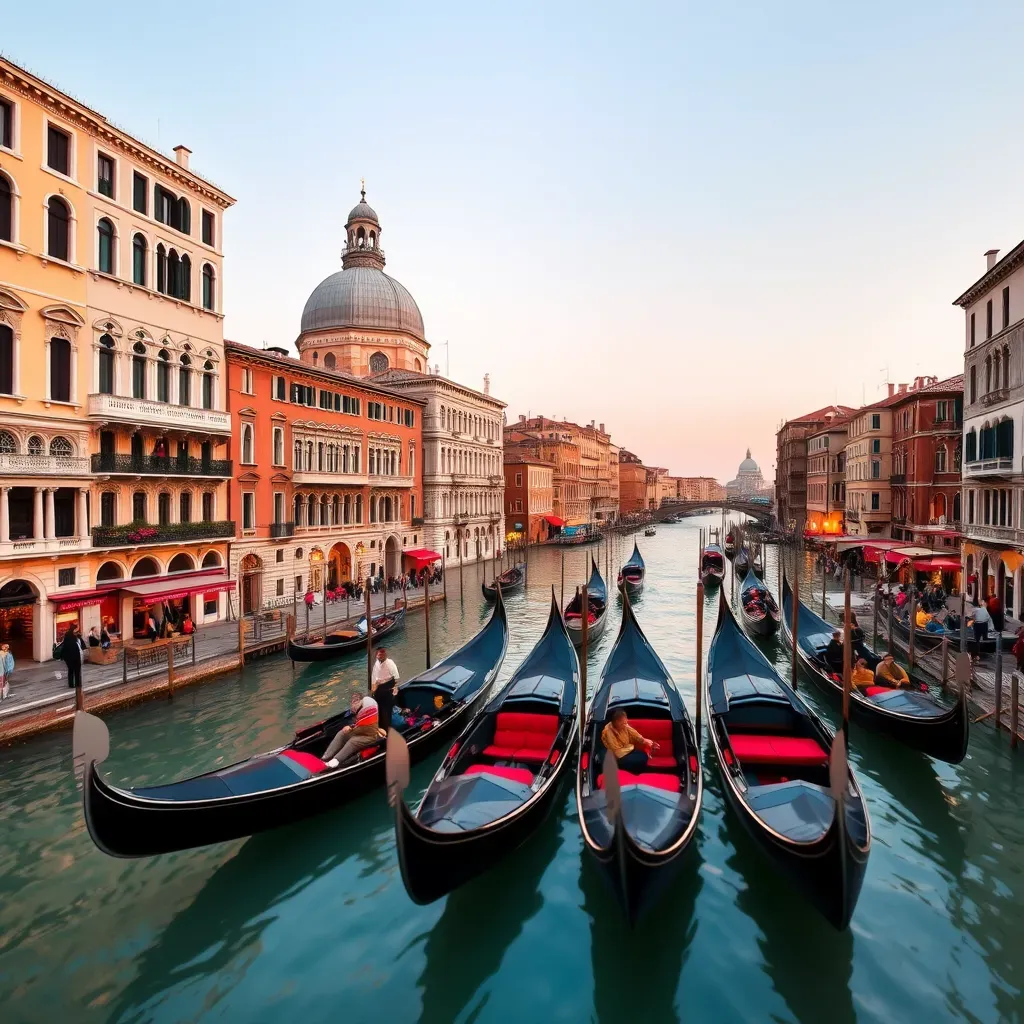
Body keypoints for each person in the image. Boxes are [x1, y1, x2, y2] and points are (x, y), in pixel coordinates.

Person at [323, 691, 381, 767]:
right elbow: (359, 724)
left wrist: (350, 729)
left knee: (353, 741)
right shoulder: (361, 708)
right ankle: (326, 757)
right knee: (342, 733)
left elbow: (364, 729)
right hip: (361, 730)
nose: (352, 704)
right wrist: (351, 727)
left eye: (354, 702)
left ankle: (335, 761)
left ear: (359, 701)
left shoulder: (367, 707)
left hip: (370, 735)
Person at [600, 708, 660, 772]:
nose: (626, 724)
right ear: (616, 722)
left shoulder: (624, 725)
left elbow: (634, 734)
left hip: (626, 750)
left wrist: (645, 741)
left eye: (626, 721)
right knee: (640, 760)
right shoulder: (608, 732)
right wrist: (631, 748)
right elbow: (617, 753)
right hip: (617, 756)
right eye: (623, 723)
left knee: (643, 755)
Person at [371, 646, 400, 730]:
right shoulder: (376, 663)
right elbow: (374, 678)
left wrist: (395, 687)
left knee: (386, 711)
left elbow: (396, 677)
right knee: (379, 710)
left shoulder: (390, 663)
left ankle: (386, 729)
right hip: (379, 689)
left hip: (387, 688)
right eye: (379, 654)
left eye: (382, 654)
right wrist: (373, 689)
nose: (381, 656)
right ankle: (380, 727)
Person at [56, 624, 86, 692]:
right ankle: (78, 684)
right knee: (77, 670)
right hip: (74, 656)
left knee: (71, 670)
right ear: (74, 629)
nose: (78, 630)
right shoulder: (75, 637)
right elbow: (82, 646)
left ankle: (71, 684)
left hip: (68, 657)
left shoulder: (68, 636)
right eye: (77, 629)